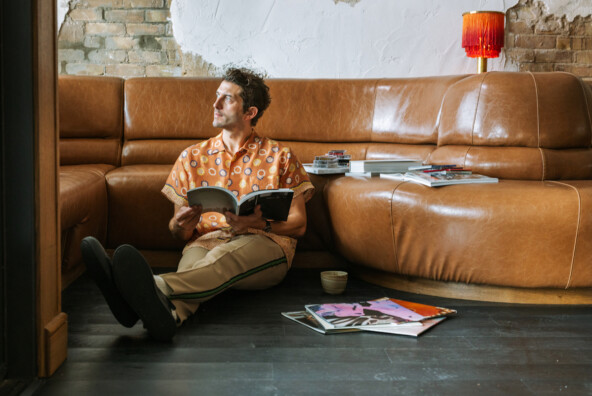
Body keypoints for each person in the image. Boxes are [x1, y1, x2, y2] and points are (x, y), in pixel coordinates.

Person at [81, 67, 314, 341]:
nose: (214, 104)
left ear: (250, 113)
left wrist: (257, 222)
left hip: (265, 243)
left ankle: (149, 285)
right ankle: (169, 316)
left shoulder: (280, 156)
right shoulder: (191, 157)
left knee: (221, 260)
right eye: (217, 96)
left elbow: (299, 225)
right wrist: (180, 224)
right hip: (203, 242)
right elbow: (178, 233)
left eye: (226, 99)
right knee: (194, 271)